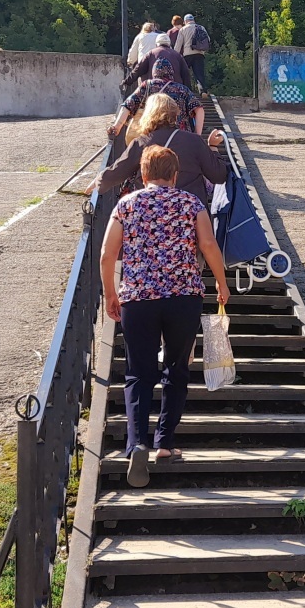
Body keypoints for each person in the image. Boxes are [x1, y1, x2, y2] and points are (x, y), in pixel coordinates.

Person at [101, 144, 230, 485]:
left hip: (138, 299)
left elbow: (107, 255)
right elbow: (208, 245)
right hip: (183, 298)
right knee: (176, 368)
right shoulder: (191, 203)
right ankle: (164, 444)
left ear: (143, 174)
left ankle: (136, 443)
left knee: (138, 373)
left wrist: (111, 293)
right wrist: (221, 283)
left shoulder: (126, 205)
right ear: (174, 175)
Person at [95, 94, 227, 206]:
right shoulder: (194, 141)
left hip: (152, 215)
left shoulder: (141, 143)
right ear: (175, 114)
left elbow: (112, 176)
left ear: (148, 115)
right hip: (191, 215)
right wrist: (213, 147)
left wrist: (98, 181)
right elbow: (219, 175)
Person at [109, 55, 204, 140]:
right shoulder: (182, 89)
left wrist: (117, 126)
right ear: (171, 72)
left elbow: (128, 105)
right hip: (180, 138)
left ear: (154, 72)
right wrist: (197, 134)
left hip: (152, 137)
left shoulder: (147, 86)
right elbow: (199, 109)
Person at [175, 13, 212, 96]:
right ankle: (203, 91)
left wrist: (175, 56)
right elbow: (208, 39)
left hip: (187, 55)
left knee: (184, 73)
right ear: (193, 20)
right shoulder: (201, 28)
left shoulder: (183, 29)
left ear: (185, 21)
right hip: (199, 54)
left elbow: (178, 44)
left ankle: (187, 91)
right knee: (199, 74)